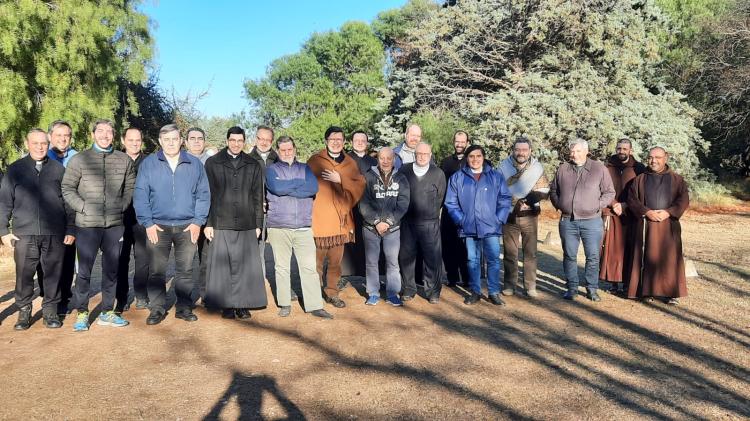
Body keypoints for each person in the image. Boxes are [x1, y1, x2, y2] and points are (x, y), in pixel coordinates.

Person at [62, 119, 136, 331]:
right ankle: (83, 313)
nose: (105, 135)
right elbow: (67, 188)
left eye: (109, 132)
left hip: (114, 225)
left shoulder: (124, 160)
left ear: (114, 135)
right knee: (84, 272)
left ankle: (107, 312)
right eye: (101, 131)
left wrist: (122, 205)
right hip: (86, 226)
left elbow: (130, 187)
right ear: (93, 134)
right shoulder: (80, 159)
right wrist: (83, 207)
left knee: (111, 271)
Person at [134, 124, 210, 325]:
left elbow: (203, 195)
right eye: (166, 139)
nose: (170, 143)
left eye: (174, 139)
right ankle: (157, 308)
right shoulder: (149, 164)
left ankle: (184, 308)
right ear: (160, 141)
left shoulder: (194, 164)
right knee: (157, 270)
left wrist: (198, 222)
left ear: (181, 140)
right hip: (158, 227)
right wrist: (148, 223)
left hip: (188, 226)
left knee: (185, 270)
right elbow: (140, 195)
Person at [0, 129, 75, 329]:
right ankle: (24, 311)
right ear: (27, 144)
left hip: (54, 232)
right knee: (24, 274)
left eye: (43, 143)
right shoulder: (15, 170)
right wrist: (3, 231)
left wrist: (71, 229)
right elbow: (4, 202)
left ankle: (50, 311)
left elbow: (69, 203)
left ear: (48, 144)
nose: (40, 147)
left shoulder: (59, 170)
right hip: (24, 233)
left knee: (52, 274)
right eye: (35, 143)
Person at [266, 136, 333, 319]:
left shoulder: (305, 168)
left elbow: (312, 188)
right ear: (278, 151)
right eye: (283, 150)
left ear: (294, 149)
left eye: (289, 149)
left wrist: (287, 186)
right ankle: (285, 303)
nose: (287, 153)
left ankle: (314, 305)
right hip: (279, 226)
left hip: (303, 226)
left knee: (309, 268)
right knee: (281, 267)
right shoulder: (271, 170)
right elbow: (276, 188)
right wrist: (297, 184)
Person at [202, 126, 266, 319]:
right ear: (227, 140)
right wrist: (209, 223)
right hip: (221, 221)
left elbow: (258, 196)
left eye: (240, 141)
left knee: (245, 265)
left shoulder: (253, 164)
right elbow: (208, 195)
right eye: (233, 140)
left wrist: (258, 224)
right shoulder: (213, 163)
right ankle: (227, 305)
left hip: (247, 222)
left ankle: (242, 305)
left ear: (244, 142)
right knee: (224, 266)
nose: (236, 144)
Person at [549, 139, 616, 302]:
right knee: (569, 255)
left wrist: (596, 206)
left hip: (592, 221)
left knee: (592, 256)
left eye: (578, 151)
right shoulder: (563, 168)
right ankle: (572, 288)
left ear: (586, 152)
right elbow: (553, 190)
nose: (574, 154)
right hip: (568, 221)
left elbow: (609, 192)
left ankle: (591, 288)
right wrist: (559, 204)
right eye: (572, 151)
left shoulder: (599, 168)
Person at [445, 145, 512, 306]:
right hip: (469, 228)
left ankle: (493, 292)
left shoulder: (495, 176)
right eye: (471, 156)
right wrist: (461, 220)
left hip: (491, 228)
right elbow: (451, 202)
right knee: (472, 260)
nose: (475, 159)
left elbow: (505, 199)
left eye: (478, 156)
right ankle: (475, 291)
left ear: (483, 158)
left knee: (494, 260)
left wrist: (499, 219)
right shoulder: (458, 177)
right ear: (467, 159)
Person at [307, 126, 366, 308]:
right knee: (316, 263)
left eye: (339, 139)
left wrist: (341, 180)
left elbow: (360, 184)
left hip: (340, 222)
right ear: (326, 141)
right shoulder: (315, 161)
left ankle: (332, 293)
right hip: (319, 221)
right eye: (332, 139)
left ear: (344, 141)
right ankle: (314, 295)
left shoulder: (349, 163)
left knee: (335, 264)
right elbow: (305, 185)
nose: (336, 142)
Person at [626, 147, 689, 304]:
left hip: (669, 226)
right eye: (650, 157)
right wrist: (646, 212)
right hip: (647, 226)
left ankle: (671, 293)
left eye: (657, 157)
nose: (653, 160)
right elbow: (632, 200)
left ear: (665, 158)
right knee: (647, 256)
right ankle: (647, 291)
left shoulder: (677, 180)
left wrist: (668, 212)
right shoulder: (640, 179)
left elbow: (683, 200)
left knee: (670, 258)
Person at [498, 137, 550, 298]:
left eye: (524, 150)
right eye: (518, 150)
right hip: (509, 215)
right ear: (513, 150)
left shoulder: (537, 168)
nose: (521, 153)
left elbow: (544, 189)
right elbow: (497, 188)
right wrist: (514, 202)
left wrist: (527, 201)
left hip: (529, 216)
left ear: (530, 151)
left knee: (530, 253)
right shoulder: (503, 167)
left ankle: (530, 286)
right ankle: (509, 285)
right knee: (510, 253)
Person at [359, 147, 410, 306]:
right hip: (370, 227)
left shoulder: (401, 178)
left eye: (389, 158)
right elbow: (362, 203)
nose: (385, 161)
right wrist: (376, 221)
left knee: (392, 261)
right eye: (382, 158)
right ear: (378, 159)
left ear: (394, 159)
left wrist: (388, 222)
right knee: (371, 262)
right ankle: (373, 293)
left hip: (392, 228)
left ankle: (392, 293)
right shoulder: (368, 177)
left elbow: (403, 203)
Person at [399, 142, 446, 303]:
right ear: (414, 154)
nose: (422, 157)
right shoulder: (404, 170)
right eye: (419, 154)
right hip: (407, 222)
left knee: (432, 258)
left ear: (430, 155)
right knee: (406, 257)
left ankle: (433, 291)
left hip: (430, 223)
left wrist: (430, 212)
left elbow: (440, 198)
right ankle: (408, 289)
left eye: (425, 154)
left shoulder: (438, 173)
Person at [600, 138, 646, 294]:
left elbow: (642, 190)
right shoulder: (607, 167)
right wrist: (613, 203)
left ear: (630, 150)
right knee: (613, 250)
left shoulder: (639, 168)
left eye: (625, 149)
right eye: (619, 148)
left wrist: (626, 205)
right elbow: (601, 188)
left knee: (629, 248)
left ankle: (627, 282)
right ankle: (613, 282)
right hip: (612, 213)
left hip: (631, 214)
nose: (621, 151)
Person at [116, 127, 150, 312]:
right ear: (123, 141)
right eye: (131, 140)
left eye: (138, 140)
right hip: (120, 219)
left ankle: (141, 294)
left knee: (143, 259)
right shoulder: (116, 159)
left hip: (142, 220)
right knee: (121, 259)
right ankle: (121, 297)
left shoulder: (150, 162)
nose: (135, 143)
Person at [45, 120, 78, 316]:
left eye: (66, 135)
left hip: (69, 217)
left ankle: (64, 298)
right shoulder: (42, 156)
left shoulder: (77, 158)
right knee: (45, 262)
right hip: (47, 218)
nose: (62, 139)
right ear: (50, 137)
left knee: (66, 260)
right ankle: (49, 296)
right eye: (58, 135)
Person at [342, 130, 377, 280]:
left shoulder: (374, 162)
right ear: (351, 142)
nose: (360, 142)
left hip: (370, 207)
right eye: (357, 140)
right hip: (350, 206)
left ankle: (367, 272)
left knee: (369, 240)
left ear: (367, 143)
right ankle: (347, 273)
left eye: (363, 140)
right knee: (349, 240)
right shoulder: (345, 159)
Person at [440, 131, 471, 286]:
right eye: (457, 141)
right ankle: (452, 278)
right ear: (453, 142)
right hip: (448, 210)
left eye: (462, 141)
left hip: (466, 211)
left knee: (465, 245)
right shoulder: (445, 162)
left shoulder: (472, 161)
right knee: (448, 244)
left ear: (467, 142)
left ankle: (467, 278)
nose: (459, 144)